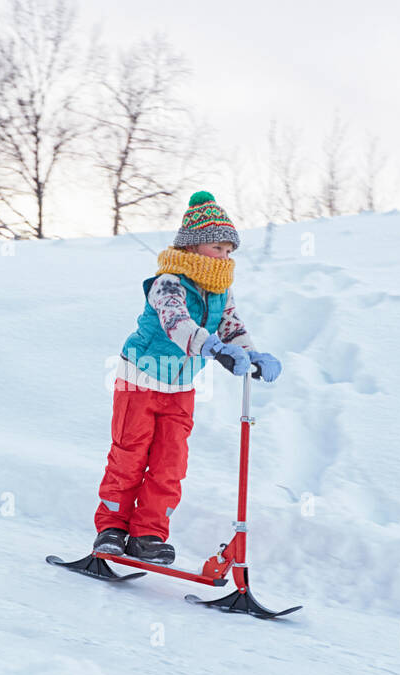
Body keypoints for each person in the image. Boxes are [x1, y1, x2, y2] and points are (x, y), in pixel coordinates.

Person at [92, 191, 281, 565]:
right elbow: (177, 322)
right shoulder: (168, 282)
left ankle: (148, 533)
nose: (224, 257)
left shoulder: (220, 289)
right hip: (139, 381)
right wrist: (213, 348)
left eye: (229, 250)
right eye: (217, 247)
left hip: (180, 388)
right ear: (194, 248)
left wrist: (251, 352)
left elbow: (230, 326)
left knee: (170, 463)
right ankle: (112, 528)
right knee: (129, 457)